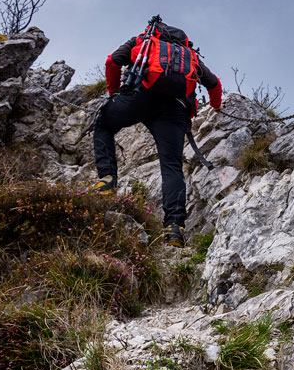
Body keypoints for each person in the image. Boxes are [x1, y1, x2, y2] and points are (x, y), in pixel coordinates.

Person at [90, 18, 222, 248]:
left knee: (104, 125)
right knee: (171, 166)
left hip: (139, 95)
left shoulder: (143, 41)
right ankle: (173, 229)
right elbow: (214, 84)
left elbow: (113, 61)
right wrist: (217, 107)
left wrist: (114, 93)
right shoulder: (188, 55)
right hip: (174, 110)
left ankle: (107, 179)